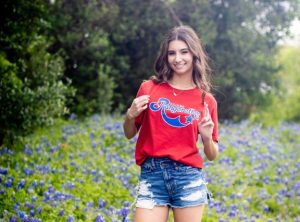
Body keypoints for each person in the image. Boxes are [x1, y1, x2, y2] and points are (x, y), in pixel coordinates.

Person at [123, 25, 219, 222]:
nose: (178, 58)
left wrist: (207, 138)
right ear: (165, 57)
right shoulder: (149, 88)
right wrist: (130, 115)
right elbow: (129, 133)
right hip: (152, 174)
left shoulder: (206, 100)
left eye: (184, 52)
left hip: (188, 177)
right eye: (172, 53)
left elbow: (212, 154)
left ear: (194, 55)